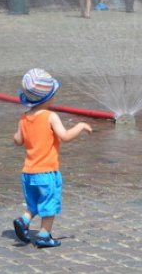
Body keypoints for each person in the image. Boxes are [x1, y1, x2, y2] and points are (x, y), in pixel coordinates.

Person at [12, 68, 92, 248]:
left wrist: (17, 135)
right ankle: (44, 235)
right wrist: (80, 126)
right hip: (47, 172)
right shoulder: (50, 117)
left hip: (28, 172)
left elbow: (18, 140)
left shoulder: (24, 118)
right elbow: (65, 136)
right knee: (49, 203)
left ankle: (24, 220)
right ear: (49, 97)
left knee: (34, 202)